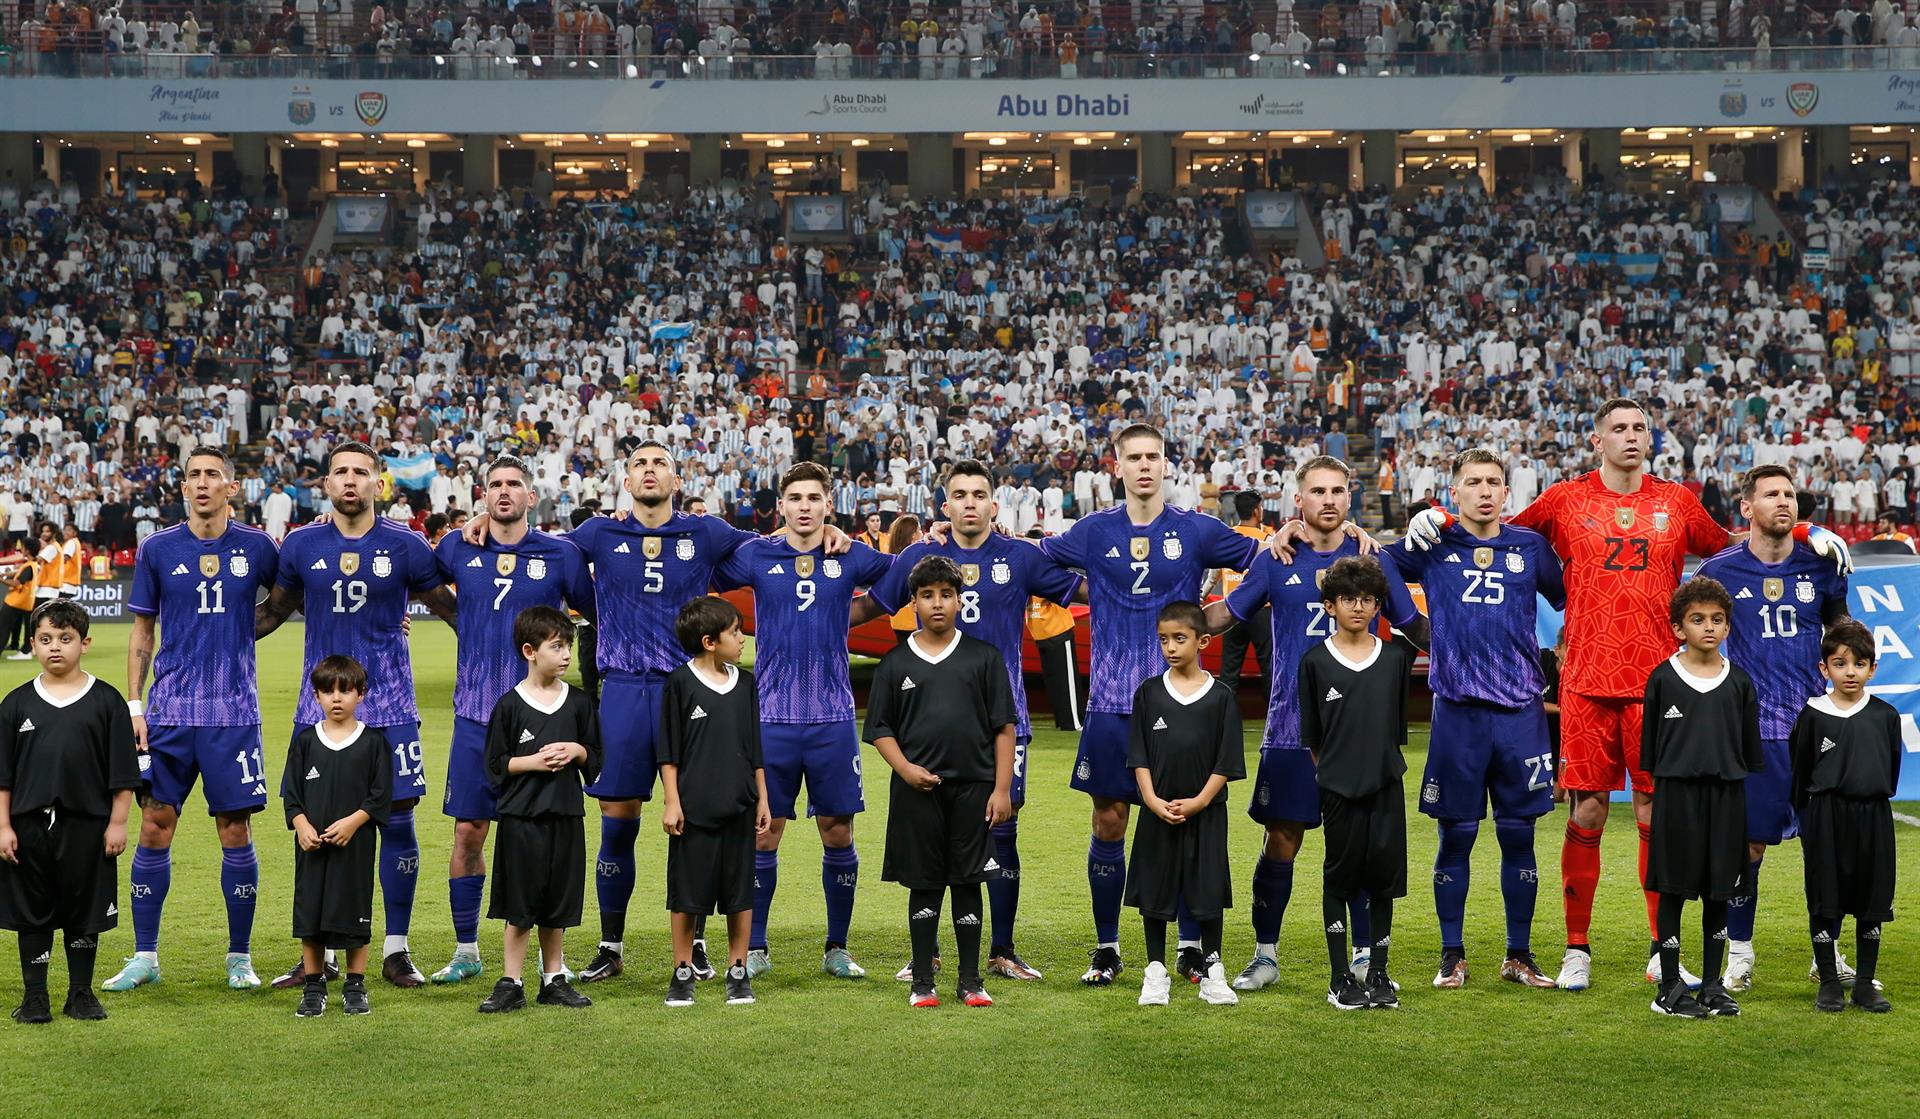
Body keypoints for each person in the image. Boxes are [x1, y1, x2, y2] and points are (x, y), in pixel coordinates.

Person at [1410, 397, 1849, 991]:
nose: (1632, 436)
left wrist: (1802, 528)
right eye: (1619, 428)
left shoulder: (1676, 502)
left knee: (1652, 813)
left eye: (1641, 427)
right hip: (1586, 680)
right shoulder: (1565, 499)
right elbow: (1494, 527)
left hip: (1658, 685)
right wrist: (1434, 513)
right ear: (1597, 441)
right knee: (1586, 811)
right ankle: (1576, 950)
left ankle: (1656, 948)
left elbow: (1737, 540)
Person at [465, 441, 840, 986]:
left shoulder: (705, 531)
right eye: (639, 463)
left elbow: (772, 547)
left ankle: (700, 944)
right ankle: (611, 944)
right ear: (625, 479)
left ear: (676, 478)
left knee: (701, 818)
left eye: (659, 463)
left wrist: (825, 532)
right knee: (618, 820)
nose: (649, 470)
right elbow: (537, 547)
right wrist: (487, 517)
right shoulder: (597, 533)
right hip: (622, 691)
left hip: (689, 692)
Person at [1036, 424, 1261, 986]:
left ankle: (1187, 947)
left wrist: (1217, 620)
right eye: (1133, 457)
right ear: (1117, 467)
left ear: (1167, 466)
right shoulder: (1092, 532)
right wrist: (1087, 593)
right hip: (1113, 703)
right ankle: (1108, 947)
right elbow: (1033, 563)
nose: (1143, 465)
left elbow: (1268, 561)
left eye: (1152, 457)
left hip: (1181, 700)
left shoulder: (1197, 530)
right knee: (1109, 820)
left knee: (1183, 816)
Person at [1203, 457, 1421, 993]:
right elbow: (1226, 615)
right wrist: (1161, 619)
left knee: (1367, 849)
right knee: (1282, 839)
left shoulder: (1373, 559)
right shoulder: (1277, 558)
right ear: (1298, 501)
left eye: (1338, 491)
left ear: (1351, 500)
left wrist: (1473, 652)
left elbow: (1414, 627)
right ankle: (1265, 954)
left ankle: (1367, 958)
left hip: (1359, 735)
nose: (1328, 499)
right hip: (1290, 728)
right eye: (1317, 491)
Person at [858, 461, 1082, 982]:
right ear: (945, 506)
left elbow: (1083, 590)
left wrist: (1147, 600)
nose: (970, 503)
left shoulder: (1019, 556)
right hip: (928, 727)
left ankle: (1002, 949)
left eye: (979, 494)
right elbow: (872, 600)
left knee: (1001, 832)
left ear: (994, 505)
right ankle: (927, 952)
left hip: (1003, 721)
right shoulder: (919, 557)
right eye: (959, 494)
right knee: (929, 835)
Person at [257, 441, 458, 989]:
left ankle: (396, 948)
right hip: (315, 707)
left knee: (398, 820)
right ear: (326, 484)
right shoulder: (300, 545)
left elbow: (454, 609)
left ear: (378, 484)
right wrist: (206, 632)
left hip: (390, 706)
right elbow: (274, 610)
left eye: (361, 472)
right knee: (315, 825)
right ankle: (314, 952)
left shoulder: (407, 546)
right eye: (340, 471)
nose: (350, 480)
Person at [1383, 449, 1565, 991]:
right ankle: (1452, 954)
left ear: (1506, 493)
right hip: (1457, 712)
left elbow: (1568, 595)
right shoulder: (1434, 544)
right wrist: (1411, 624)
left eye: (1493, 482)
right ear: (1454, 492)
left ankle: (1519, 953)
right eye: (1472, 482)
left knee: (1519, 835)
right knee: (1456, 835)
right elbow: (1383, 563)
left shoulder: (1530, 547)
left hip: (1520, 712)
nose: (1484, 491)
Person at [106, 447, 281, 995]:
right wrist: (136, 705)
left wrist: (235, 636)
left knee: (235, 829)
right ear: (183, 487)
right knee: (155, 826)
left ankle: (239, 958)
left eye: (213, 475)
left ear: (232, 487)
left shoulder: (258, 547)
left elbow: (283, 600)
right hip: (169, 715)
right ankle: (144, 956)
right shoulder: (158, 548)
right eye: (193, 475)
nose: (202, 483)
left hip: (234, 715)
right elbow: (142, 631)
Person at [718, 461, 892, 981]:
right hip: (770, 719)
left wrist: (857, 614)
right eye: (795, 498)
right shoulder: (757, 554)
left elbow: (900, 576)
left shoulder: (848, 555)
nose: (804, 506)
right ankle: (756, 946)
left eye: (814, 498)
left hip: (832, 718)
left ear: (827, 505)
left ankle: (837, 947)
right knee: (765, 832)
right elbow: (703, 568)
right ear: (782, 507)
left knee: (838, 832)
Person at [428, 457, 594, 987]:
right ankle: (466, 948)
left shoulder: (560, 554)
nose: (504, 493)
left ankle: (550, 962)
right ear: (483, 496)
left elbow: (594, 617)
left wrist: (594, 692)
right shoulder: (457, 546)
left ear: (531, 496)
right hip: (476, 715)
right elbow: (419, 582)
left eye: (514, 485)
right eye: (495, 485)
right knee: (470, 831)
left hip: (544, 719)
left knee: (542, 836)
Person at [1695, 465, 1850, 992]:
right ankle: (1739, 951)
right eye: (1771, 494)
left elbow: (1841, 634)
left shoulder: (1822, 564)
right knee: (1748, 848)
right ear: (1746, 507)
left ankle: (1826, 950)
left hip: (1815, 731)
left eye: (1789, 494)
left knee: (1824, 845)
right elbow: (1697, 644)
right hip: (1752, 732)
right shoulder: (1720, 572)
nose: (1784, 502)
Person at [863, 556, 1016, 1009]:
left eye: (946, 595)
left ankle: (971, 980)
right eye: (927, 595)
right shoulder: (894, 663)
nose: (937, 604)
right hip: (916, 793)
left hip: (974, 790)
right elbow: (880, 729)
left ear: (960, 600)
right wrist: (906, 769)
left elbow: (1003, 727)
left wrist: (1002, 789)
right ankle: (922, 981)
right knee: (924, 883)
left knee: (969, 882)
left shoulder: (983, 658)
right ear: (913, 604)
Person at [0, 600, 140, 1024]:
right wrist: (3, 825)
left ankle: (80, 993)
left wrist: (117, 823)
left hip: (88, 826)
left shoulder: (106, 701)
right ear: (33, 644)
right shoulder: (16, 704)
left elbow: (123, 774)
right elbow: (3, 775)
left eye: (65, 639)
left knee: (85, 909)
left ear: (85, 643)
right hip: (29, 827)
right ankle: (36, 996)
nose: (55, 647)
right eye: (45, 640)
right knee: (32, 910)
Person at [1639, 576, 1761, 1019]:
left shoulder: (1741, 683)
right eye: (1697, 619)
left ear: (1728, 627)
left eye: (1717, 620)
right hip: (1677, 799)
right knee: (1673, 891)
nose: (1708, 627)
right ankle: (1669, 987)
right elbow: (1650, 753)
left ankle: (1712, 985)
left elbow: (1748, 755)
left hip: (1726, 801)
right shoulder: (1662, 680)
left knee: (1719, 894)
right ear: (1678, 628)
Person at [1298, 558, 1414, 1011]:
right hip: (1338, 790)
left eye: (1367, 600)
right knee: (1340, 880)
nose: (1358, 607)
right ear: (1330, 605)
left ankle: (1379, 971)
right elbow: (1313, 738)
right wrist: (1336, 775)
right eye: (1348, 599)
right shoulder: (1314, 662)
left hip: (1385, 784)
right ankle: (1339, 977)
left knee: (1383, 882)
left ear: (1377, 606)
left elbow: (1395, 731)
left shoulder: (1394, 659)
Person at [475, 606, 600, 1014]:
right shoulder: (509, 706)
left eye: (569, 646)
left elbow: (596, 759)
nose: (566, 655)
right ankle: (511, 981)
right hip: (521, 819)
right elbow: (496, 765)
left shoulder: (580, 703)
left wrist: (577, 750)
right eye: (557, 646)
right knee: (520, 905)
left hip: (565, 816)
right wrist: (534, 761)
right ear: (530, 651)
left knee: (556, 904)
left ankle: (554, 978)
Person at [1127, 601, 1245, 1008]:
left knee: (1208, 891)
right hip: (1158, 813)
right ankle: (1155, 972)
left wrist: (1198, 801)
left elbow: (1227, 761)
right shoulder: (1149, 693)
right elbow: (1139, 755)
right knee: (1154, 894)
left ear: (1203, 641)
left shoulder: (1222, 697)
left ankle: (1213, 972)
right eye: (1164, 640)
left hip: (1205, 813)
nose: (1171, 648)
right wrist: (1151, 800)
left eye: (1180, 639)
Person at [658, 596, 771, 1008]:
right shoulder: (679, 684)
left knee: (740, 894)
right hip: (695, 810)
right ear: (709, 641)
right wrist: (673, 801)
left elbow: (755, 748)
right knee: (687, 895)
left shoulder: (745, 683)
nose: (742, 639)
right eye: (735, 632)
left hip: (739, 805)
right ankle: (682, 971)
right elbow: (668, 752)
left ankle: (737, 970)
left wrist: (762, 799)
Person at [1789, 620, 1900, 1013]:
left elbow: (1891, 770)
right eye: (1840, 663)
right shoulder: (1812, 715)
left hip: (1872, 817)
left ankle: (1866, 985)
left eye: (1858, 664)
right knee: (1825, 898)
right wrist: (1811, 819)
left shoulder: (1885, 715)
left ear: (1872, 668)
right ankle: (1829, 982)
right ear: (1825, 669)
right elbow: (1800, 772)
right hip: (1824, 817)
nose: (1849, 672)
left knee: (1872, 899)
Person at [281, 655, 391, 1018]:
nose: (337, 698)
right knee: (310, 915)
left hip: (354, 848)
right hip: (312, 848)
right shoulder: (305, 742)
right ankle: (314, 987)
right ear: (316, 696)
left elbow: (380, 796)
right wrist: (301, 826)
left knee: (355, 915)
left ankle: (355, 986)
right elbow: (292, 795)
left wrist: (353, 822)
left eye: (345, 690)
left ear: (362, 694)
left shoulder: (374, 742)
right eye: (328, 691)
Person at [1214, 490, 1274, 688]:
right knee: (1270, 669)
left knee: (1228, 673)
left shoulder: (1226, 536)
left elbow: (1215, 573)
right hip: (1261, 610)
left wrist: (1202, 594)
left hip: (1232, 609)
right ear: (1257, 511)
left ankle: (1224, 718)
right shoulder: (1268, 538)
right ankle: (1275, 718)